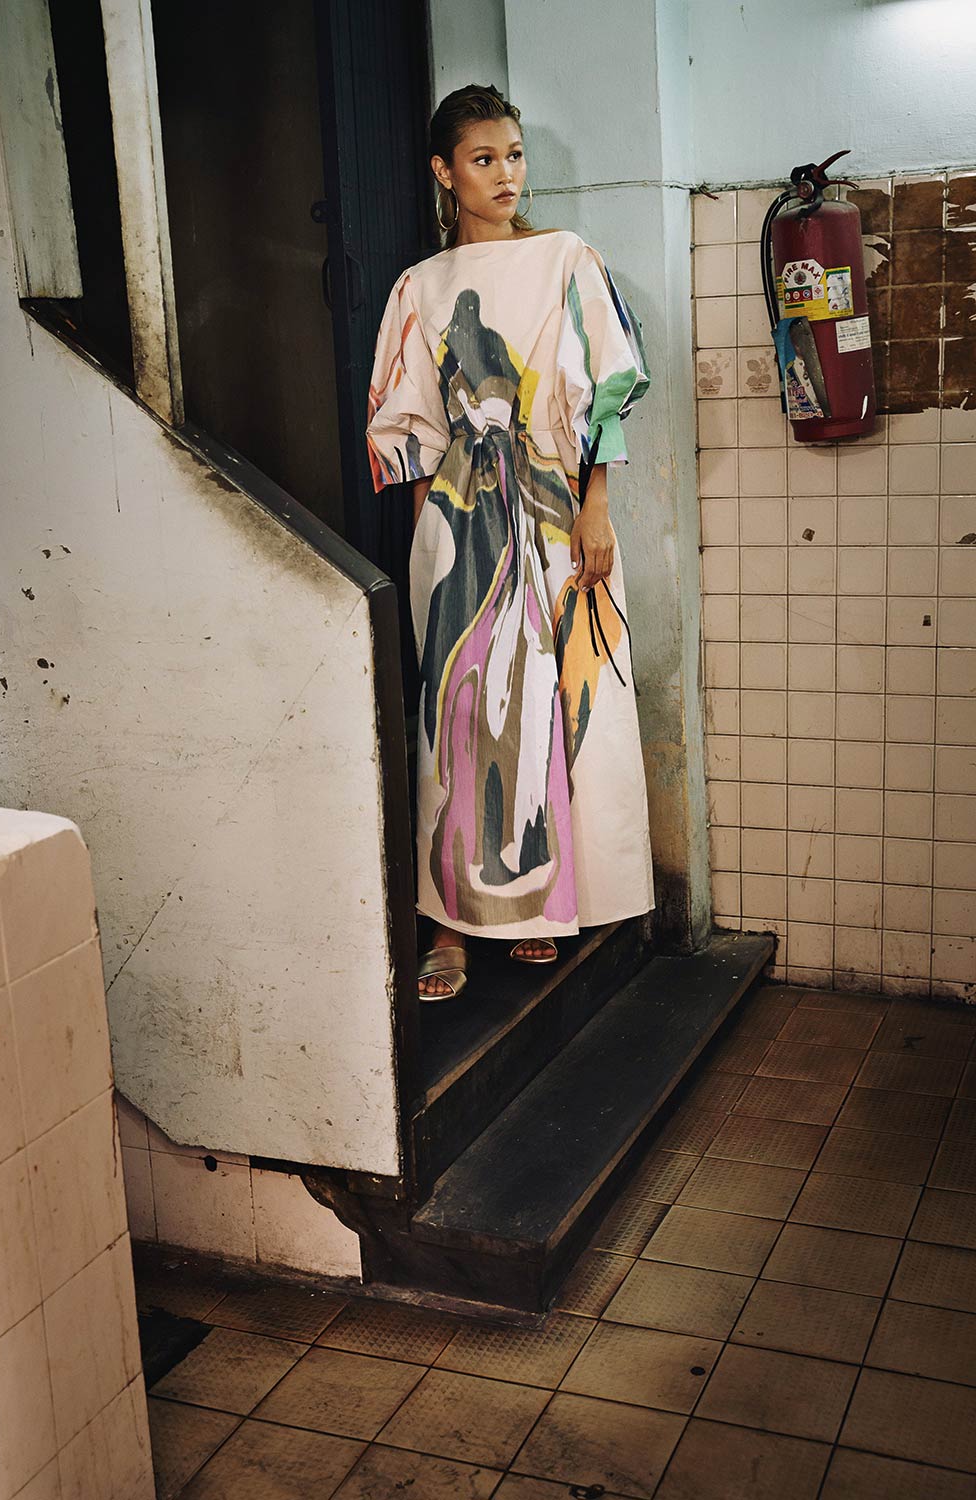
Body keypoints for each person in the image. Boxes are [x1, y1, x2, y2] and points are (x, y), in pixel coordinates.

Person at [365, 83, 654, 1001]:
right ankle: (448, 930)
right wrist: (429, 542)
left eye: (515, 155)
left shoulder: (567, 259)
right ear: (444, 172)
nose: (506, 175)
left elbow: (605, 396)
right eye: (483, 159)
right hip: (457, 525)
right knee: (453, 714)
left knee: (555, 702)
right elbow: (410, 428)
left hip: (555, 512)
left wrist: (596, 507)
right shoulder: (419, 286)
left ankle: (541, 906)